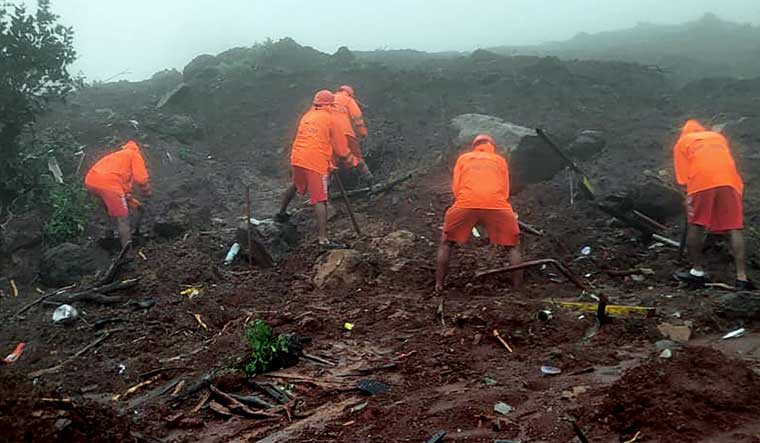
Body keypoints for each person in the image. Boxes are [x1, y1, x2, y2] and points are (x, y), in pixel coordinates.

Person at [672, 119, 754, 290]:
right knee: (734, 226)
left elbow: (683, 178)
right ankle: (742, 277)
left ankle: (697, 272)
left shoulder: (683, 142)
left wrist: (687, 198)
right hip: (730, 182)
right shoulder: (717, 137)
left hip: (701, 181)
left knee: (697, 224)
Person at [435, 134, 522, 292]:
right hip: (497, 205)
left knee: (446, 242)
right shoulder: (500, 160)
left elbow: (456, 187)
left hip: (465, 203)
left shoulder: (464, 158)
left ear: (474, 146)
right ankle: (518, 289)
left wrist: (471, 207)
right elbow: (505, 190)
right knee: (514, 245)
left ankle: (439, 285)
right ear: (492, 146)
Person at [276, 90, 355, 249]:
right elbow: (340, 148)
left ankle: (281, 213)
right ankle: (323, 239)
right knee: (320, 199)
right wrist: (352, 162)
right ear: (331, 104)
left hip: (298, 157)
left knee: (296, 184)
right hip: (314, 161)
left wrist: (330, 164)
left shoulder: (308, 116)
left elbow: (316, 140)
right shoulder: (331, 119)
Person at [84, 139, 151, 250]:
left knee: (107, 210)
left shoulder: (118, 156)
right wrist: (147, 192)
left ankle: (109, 238)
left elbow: (121, 192)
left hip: (91, 180)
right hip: (109, 184)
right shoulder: (134, 154)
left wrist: (135, 204)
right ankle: (127, 251)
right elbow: (141, 179)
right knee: (122, 218)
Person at [333, 85, 373, 182]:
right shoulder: (349, 101)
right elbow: (357, 119)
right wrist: (363, 133)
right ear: (350, 94)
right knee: (357, 156)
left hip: (329, 134)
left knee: (331, 161)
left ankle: (328, 187)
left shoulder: (329, 99)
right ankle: (370, 180)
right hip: (346, 133)